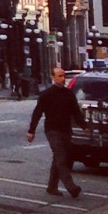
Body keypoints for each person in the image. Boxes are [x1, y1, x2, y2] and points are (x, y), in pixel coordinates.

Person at [27, 66, 84, 198]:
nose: (63, 78)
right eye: (59, 76)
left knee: (61, 158)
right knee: (61, 157)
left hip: (66, 130)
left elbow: (76, 112)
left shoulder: (69, 94)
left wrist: (84, 125)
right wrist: (31, 131)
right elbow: (37, 113)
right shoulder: (47, 94)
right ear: (53, 78)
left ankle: (52, 186)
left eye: (63, 76)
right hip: (52, 130)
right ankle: (72, 187)